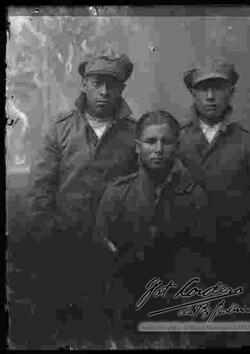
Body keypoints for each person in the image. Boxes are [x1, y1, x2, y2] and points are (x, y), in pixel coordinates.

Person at [26, 49, 137, 348]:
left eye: (111, 84)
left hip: (115, 245)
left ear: (122, 89)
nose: (103, 91)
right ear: (84, 85)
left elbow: (142, 189)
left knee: (110, 323)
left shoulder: (135, 133)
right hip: (65, 243)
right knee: (64, 325)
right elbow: (40, 189)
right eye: (97, 82)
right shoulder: (61, 129)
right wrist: (46, 237)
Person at [94, 110, 211, 348]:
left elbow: (201, 263)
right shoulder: (117, 195)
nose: (158, 149)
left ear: (176, 147)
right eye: (150, 141)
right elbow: (104, 259)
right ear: (137, 147)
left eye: (166, 142)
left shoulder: (194, 196)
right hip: (128, 313)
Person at [177, 57, 250, 347]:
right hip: (187, 261)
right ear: (193, 94)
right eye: (203, 89)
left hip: (235, 260)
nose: (211, 97)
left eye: (218, 88)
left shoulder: (248, 143)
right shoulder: (176, 140)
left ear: (231, 93)